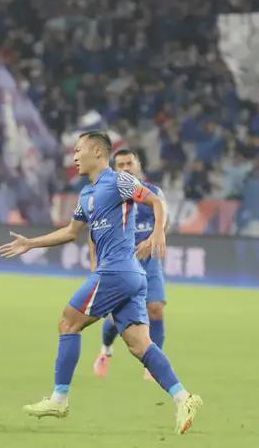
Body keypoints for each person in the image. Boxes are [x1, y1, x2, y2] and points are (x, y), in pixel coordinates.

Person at [0, 132, 202, 435]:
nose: (74, 156)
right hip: (130, 275)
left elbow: (155, 200)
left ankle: (59, 399)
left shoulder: (119, 180)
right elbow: (71, 232)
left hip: (116, 270)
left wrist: (158, 232)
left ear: (97, 151)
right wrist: (31, 243)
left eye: (78, 150)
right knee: (139, 345)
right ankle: (184, 398)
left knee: (68, 322)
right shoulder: (86, 194)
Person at [93, 149, 169, 380]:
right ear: (114, 169)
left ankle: (153, 364)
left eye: (130, 163)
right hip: (122, 264)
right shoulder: (108, 196)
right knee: (117, 319)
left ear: (138, 166)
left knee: (156, 308)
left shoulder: (154, 193)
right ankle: (106, 350)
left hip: (149, 262)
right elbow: (95, 231)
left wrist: (153, 239)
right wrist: (96, 262)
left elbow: (163, 222)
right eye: (121, 165)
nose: (126, 168)